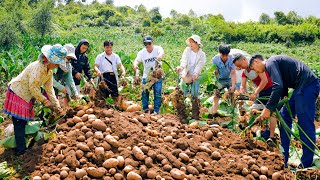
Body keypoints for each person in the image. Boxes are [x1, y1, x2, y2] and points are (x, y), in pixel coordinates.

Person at [249, 54, 320, 168]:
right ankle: (284, 158)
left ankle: (306, 164)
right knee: (284, 115)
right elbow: (283, 83)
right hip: (299, 88)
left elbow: (278, 86)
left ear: (256, 61)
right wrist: (284, 99)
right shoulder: (273, 64)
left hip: (307, 86)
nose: (256, 72)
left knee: (304, 123)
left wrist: (268, 109)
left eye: (254, 69)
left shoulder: (270, 62)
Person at [3, 44, 66, 155]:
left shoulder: (49, 72)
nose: (57, 66)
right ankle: (21, 151)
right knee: (19, 123)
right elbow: (33, 87)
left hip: (27, 96)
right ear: (50, 60)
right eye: (57, 63)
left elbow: (49, 89)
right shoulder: (38, 67)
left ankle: (20, 142)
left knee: (24, 122)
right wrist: (45, 101)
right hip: (18, 92)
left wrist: (57, 106)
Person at [233, 53, 277, 144]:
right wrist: (241, 91)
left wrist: (255, 93)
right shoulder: (245, 72)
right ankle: (256, 131)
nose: (240, 68)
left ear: (244, 59)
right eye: (238, 67)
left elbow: (265, 80)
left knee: (273, 113)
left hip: (272, 90)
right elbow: (243, 85)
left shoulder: (255, 67)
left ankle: (271, 137)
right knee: (253, 111)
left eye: (240, 65)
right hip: (262, 93)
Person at [176, 34, 206, 121]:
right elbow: (184, 60)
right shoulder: (187, 50)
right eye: (190, 42)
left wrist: (195, 74)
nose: (191, 44)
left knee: (194, 94)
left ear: (197, 44)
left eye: (193, 42)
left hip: (195, 75)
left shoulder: (202, 54)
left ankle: (195, 114)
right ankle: (182, 113)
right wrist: (181, 67)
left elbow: (200, 65)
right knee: (182, 91)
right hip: (186, 72)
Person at [133, 36, 165, 114]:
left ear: (152, 42)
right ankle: (145, 109)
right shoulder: (142, 52)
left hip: (157, 75)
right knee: (145, 92)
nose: (147, 45)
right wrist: (135, 65)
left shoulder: (157, 49)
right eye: (145, 44)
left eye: (149, 43)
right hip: (147, 76)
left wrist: (159, 57)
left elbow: (162, 52)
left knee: (157, 92)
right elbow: (136, 60)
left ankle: (156, 111)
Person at [94, 40, 126, 105]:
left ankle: (116, 107)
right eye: (107, 47)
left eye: (110, 47)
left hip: (112, 76)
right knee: (102, 94)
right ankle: (102, 108)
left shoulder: (115, 56)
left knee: (115, 94)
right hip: (103, 77)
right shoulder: (100, 56)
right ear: (104, 47)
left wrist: (123, 71)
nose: (109, 49)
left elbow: (120, 65)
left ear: (112, 47)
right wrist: (97, 71)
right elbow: (95, 66)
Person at [209, 44, 236, 118]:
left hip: (229, 78)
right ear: (219, 52)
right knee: (216, 96)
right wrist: (218, 83)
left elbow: (233, 73)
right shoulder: (215, 59)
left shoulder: (232, 59)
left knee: (233, 95)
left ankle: (234, 114)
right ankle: (214, 114)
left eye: (226, 55)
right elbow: (216, 73)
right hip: (220, 80)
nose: (225, 57)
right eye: (222, 55)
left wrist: (233, 86)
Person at [52, 44, 79, 108]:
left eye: (70, 57)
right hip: (46, 84)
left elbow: (70, 80)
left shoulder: (68, 65)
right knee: (48, 100)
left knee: (54, 100)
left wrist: (75, 93)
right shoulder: (53, 62)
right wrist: (61, 87)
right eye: (68, 56)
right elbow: (50, 79)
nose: (69, 58)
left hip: (55, 85)